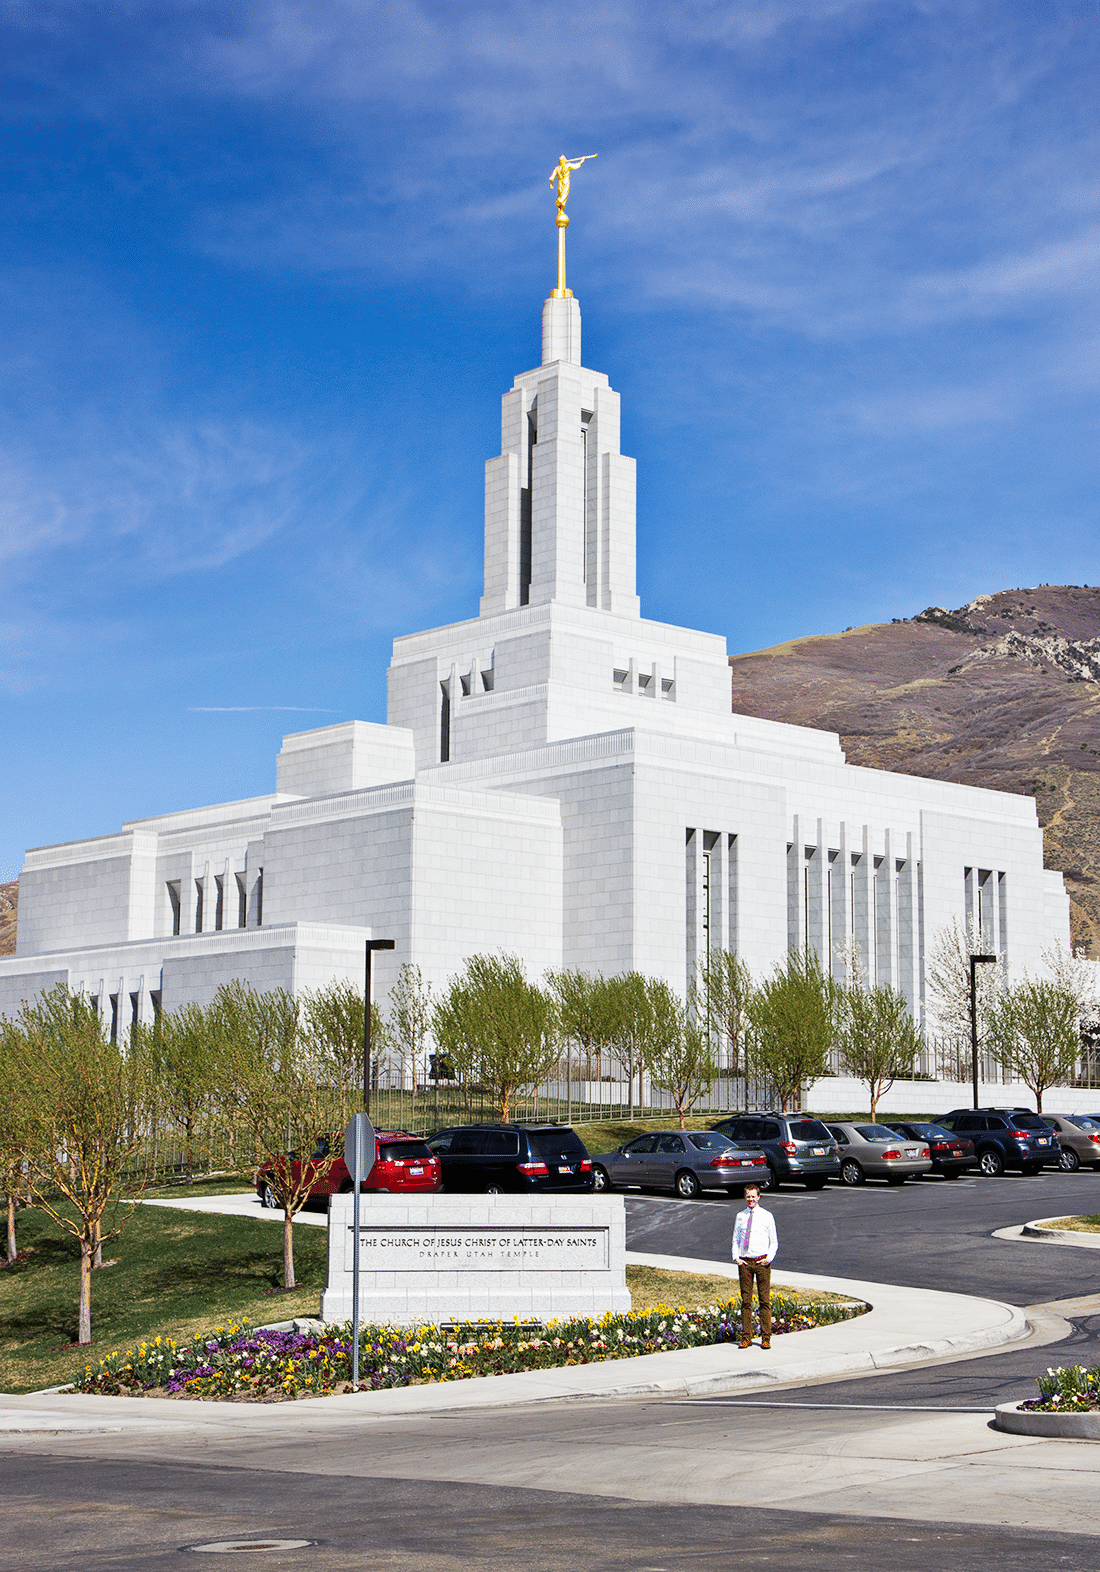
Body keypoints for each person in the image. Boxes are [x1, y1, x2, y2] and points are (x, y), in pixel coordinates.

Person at [732, 1182, 778, 1349]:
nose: (751, 1199)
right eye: (748, 1196)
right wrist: (736, 1257)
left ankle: (766, 1337)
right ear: (745, 1197)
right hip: (745, 1262)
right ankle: (746, 1337)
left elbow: (773, 1241)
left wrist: (769, 1258)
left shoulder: (767, 1216)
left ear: (758, 1197)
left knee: (764, 1301)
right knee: (746, 1301)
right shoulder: (740, 1216)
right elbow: (735, 1240)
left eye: (753, 1196)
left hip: (762, 1263)